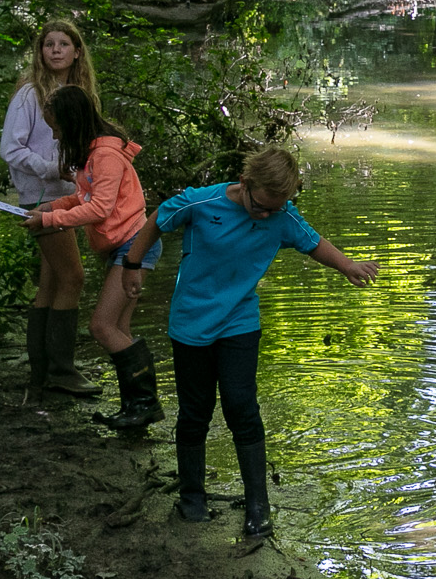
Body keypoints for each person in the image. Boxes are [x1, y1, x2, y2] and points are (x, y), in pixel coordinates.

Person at [152, 145, 377, 538]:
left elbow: (312, 242)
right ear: (245, 184)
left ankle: (258, 503)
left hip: (239, 322)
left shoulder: (281, 215)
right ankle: (192, 496)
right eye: (261, 206)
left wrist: (348, 266)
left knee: (241, 405)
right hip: (190, 323)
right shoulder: (204, 202)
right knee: (195, 411)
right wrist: (134, 265)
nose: (267, 214)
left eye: (277, 207)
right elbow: (158, 218)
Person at [23, 86, 161, 433]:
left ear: (72, 122)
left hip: (133, 246)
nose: (54, 135)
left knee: (101, 326)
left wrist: (50, 221)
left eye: (56, 127)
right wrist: (52, 208)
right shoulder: (92, 154)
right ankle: (136, 409)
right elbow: (83, 197)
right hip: (119, 245)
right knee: (119, 329)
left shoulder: (107, 155)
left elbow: (101, 207)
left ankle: (145, 405)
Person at [0, 19, 101, 396]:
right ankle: (62, 369)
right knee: (74, 278)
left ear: (77, 51)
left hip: (68, 195)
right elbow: (10, 149)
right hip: (42, 198)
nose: (55, 50)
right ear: (40, 52)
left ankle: (41, 372)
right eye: (48, 44)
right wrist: (51, 169)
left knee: (51, 281)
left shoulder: (80, 93)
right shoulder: (29, 94)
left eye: (63, 44)